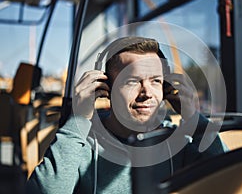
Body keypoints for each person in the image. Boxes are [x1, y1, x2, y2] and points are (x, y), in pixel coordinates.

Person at [26, 36, 226, 194]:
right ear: (106, 89)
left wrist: (194, 118)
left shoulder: (177, 142)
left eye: (155, 81)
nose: (147, 93)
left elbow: (230, 175)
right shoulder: (81, 143)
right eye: (132, 81)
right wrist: (78, 119)